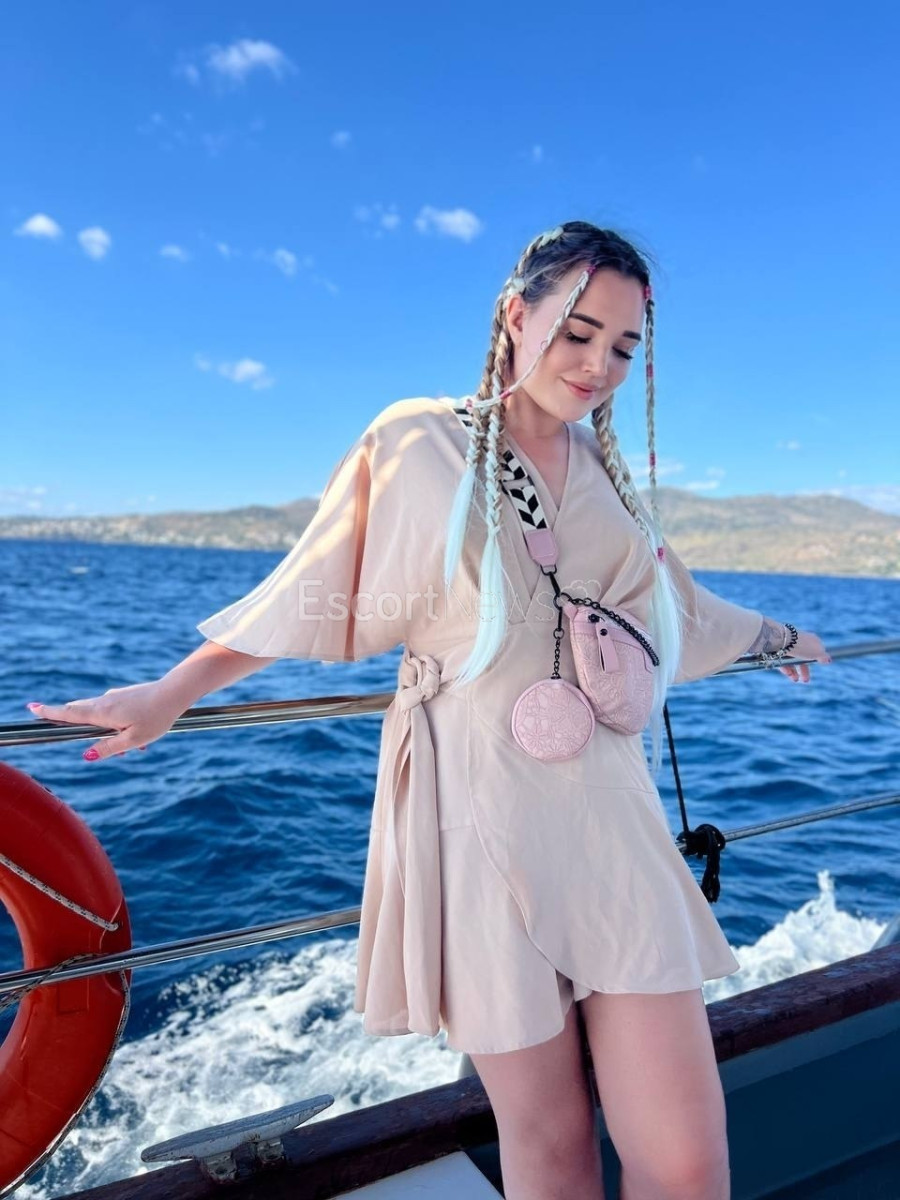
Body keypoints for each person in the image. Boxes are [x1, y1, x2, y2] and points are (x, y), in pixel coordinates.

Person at [27, 220, 831, 1200]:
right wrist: (172, 691)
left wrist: (781, 637)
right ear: (516, 316)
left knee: (688, 1162)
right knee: (550, 1144)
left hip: (613, 823)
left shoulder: (611, 482)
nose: (599, 366)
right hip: (476, 818)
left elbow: (680, 613)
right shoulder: (422, 440)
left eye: (624, 347)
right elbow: (322, 582)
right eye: (578, 333)